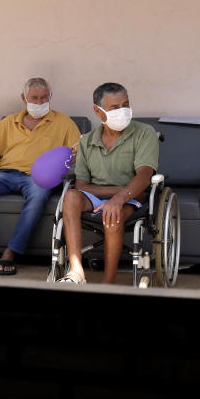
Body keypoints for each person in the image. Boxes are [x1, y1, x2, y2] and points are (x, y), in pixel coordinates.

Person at [0, 77, 81, 275]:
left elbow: (77, 152)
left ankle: (11, 253)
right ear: (24, 98)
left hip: (38, 179)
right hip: (5, 174)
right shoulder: (9, 122)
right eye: (34, 98)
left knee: (39, 194)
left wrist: (64, 165)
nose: (40, 102)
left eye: (44, 98)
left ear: (50, 97)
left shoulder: (64, 123)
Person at [56, 82, 159, 284]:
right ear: (98, 111)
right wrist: (117, 191)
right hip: (100, 197)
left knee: (114, 212)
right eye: (115, 108)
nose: (123, 111)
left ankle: (108, 282)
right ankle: (76, 271)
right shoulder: (87, 141)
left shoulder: (144, 133)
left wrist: (120, 197)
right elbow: (82, 185)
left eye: (126, 105)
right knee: (70, 197)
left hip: (132, 197)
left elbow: (144, 176)